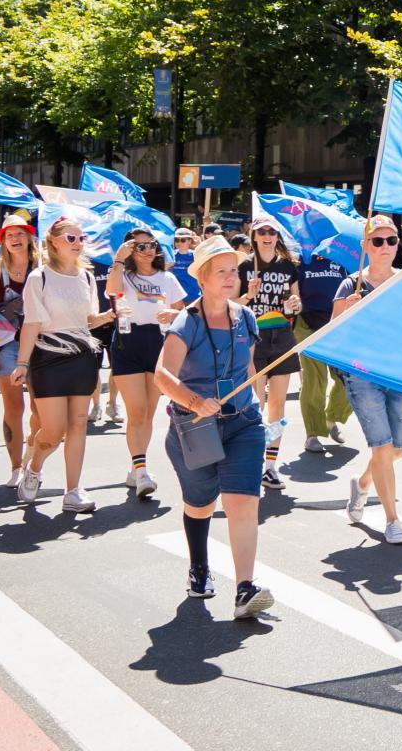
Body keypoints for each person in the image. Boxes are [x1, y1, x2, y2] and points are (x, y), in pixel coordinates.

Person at [156, 236, 275, 619]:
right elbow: (163, 375)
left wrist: (259, 405)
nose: (230, 277)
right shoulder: (186, 322)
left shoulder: (246, 318)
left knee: (242, 503)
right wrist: (194, 402)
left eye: (234, 271)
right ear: (202, 278)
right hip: (195, 428)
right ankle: (199, 566)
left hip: (243, 423)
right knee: (201, 504)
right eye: (221, 271)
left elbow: (248, 368)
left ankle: (244, 589)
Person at [12, 218, 116, 512]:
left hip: (81, 355)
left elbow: (87, 321)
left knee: (78, 424)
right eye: (71, 238)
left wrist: (108, 317)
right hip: (48, 357)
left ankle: (73, 491)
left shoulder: (86, 277)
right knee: (53, 431)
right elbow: (32, 323)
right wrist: (22, 363)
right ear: (54, 241)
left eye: (82, 238)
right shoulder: (39, 277)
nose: (78, 243)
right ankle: (34, 468)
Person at [335, 215, 402, 544]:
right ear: (366, 245)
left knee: (396, 450)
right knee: (381, 447)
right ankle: (392, 519)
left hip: (398, 372)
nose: (385, 246)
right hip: (362, 374)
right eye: (377, 241)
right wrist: (347, 310)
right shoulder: (351, 285)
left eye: (391, 240)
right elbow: (331, 333)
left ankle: (363, 483)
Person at [106, 227, 187, 498]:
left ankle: (136, 465)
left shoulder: (167, 277)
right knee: (136, 411)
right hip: (127, 340)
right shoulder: (123, 275)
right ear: (130, 250)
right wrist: (119, 258)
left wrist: (172, 313)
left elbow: (183, 311)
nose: (148, 250)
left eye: (151, 244)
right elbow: (111, 291)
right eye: (140, 246)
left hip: (157, 341)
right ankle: (142, 472)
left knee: (149, 413)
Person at [238, 220, 303, 490]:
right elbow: (230, 304)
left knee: (278, 404)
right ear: (254, 236)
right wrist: (248, 295)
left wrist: (295, 304)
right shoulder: (244, 266)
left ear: (277, 236)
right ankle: (250, 462)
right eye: (262, 232)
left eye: (272, 232)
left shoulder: (288, 266)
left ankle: (270, 466)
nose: (267, 236)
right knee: (256, 404)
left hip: (282, 337)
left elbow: (296, 304)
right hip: (253, 339)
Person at [0, 214, 38, 487]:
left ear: (29, 238)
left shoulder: (42, 266)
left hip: (40, 342)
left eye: (20, 234)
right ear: (3, 241)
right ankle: (16, 467)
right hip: (7, 342)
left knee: (41, 410)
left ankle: (32, 452)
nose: (15, 239)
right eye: (9, 235)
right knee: (14, 406)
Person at [296, 253, 351, 454]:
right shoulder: (302, 261)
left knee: (349, 379)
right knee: (315, 380)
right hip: (308, 325)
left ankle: (331, 419)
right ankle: (313, 433)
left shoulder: (342, 260)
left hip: (338, 327)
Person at [169, 228, 201, 303]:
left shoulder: (196, 255)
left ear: (189, 241)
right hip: (176, 298)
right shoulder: (171, 255)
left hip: (193, 297)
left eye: (183, 240)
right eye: (176, 240)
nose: (179, 242)